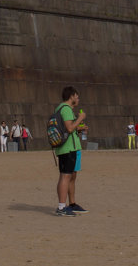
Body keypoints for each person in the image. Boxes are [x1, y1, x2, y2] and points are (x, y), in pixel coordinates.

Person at [53, 85, 87, 217]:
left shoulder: (61, 109)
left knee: (70, 176)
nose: (78, 99)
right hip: (67, 148)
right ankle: (62, 206)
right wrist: (80, 118)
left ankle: (72, 204)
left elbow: (70, 129)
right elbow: (69, 128)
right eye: (77, 97)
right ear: (71, 96)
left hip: (68, 147)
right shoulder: (66, 109)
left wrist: (79, 128)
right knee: (65, 176)